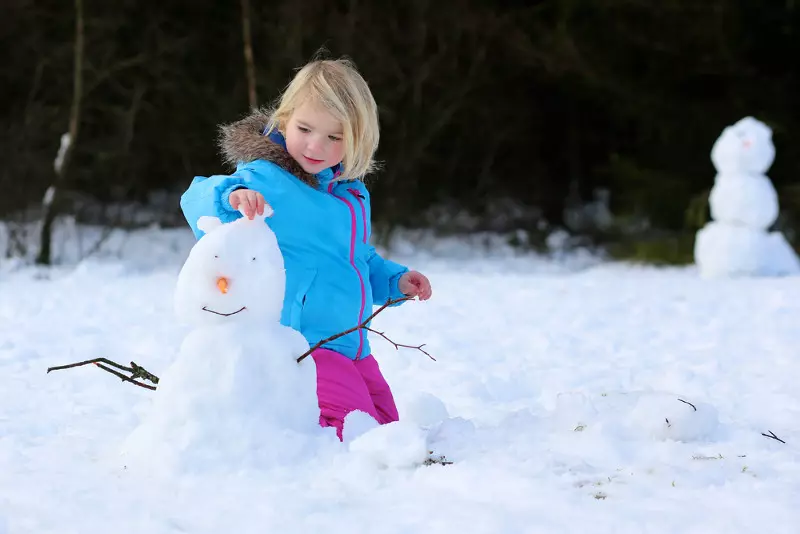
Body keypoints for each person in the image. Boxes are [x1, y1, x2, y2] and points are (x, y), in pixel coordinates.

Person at [179, 57, 432, 440]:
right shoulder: (266, 178)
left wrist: (395, 281)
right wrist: (232, 196)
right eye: (305, 129)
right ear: (284, 120)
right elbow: (194, 198)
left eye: (335, 137)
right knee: (348, 434)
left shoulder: (351, 195)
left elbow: (357, 259)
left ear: (357, 138)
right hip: (302, 343)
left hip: (353, 344)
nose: (316, 145)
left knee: (389, 431)